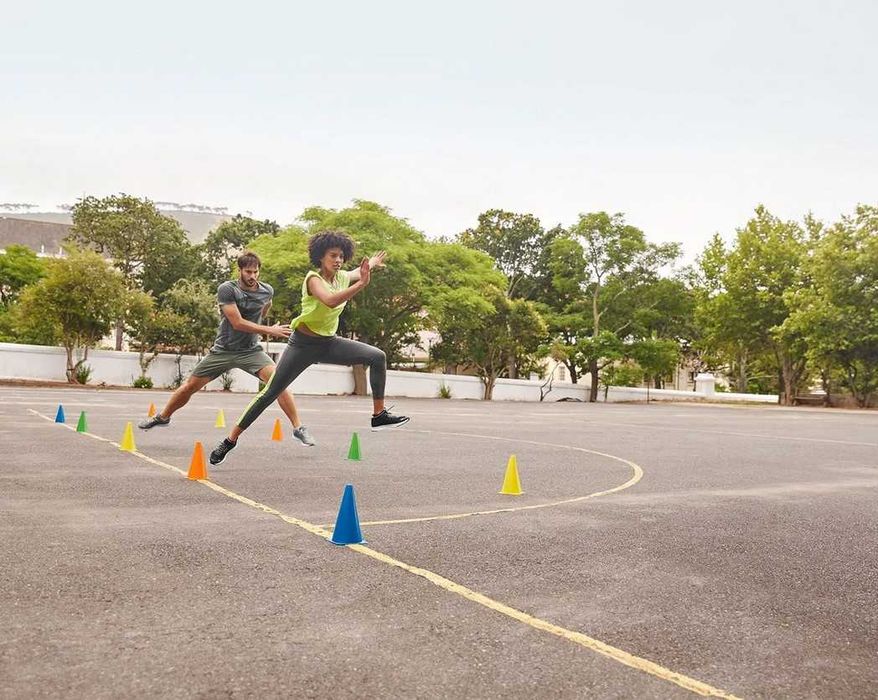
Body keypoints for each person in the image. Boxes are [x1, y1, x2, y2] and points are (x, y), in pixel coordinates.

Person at [209, 230, 409, 465]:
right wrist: (362, 284)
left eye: (341, 256)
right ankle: (230, 440)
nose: (338, 260)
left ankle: (378, 415)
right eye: (333, 255)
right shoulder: (313, 279)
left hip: (329, 343)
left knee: (377, 356)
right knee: (270, 393)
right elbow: (330, 300)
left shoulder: (342, 277)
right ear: (320, 257)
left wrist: (372, 263)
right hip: (303, 345)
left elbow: (356, 272)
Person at [138, 251, 316, 448]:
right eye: (248, 272)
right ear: (239, 270)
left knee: (279, 383)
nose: (252, 276)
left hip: (251, 351)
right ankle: (163, 417)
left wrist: (263, 316)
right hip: (223, 350)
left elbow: (266, 305)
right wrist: (269, 329)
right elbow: (237, 323)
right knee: (190, 386)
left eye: (256, 272)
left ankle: (298, 428)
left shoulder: (267, 290)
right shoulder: (227, 289)